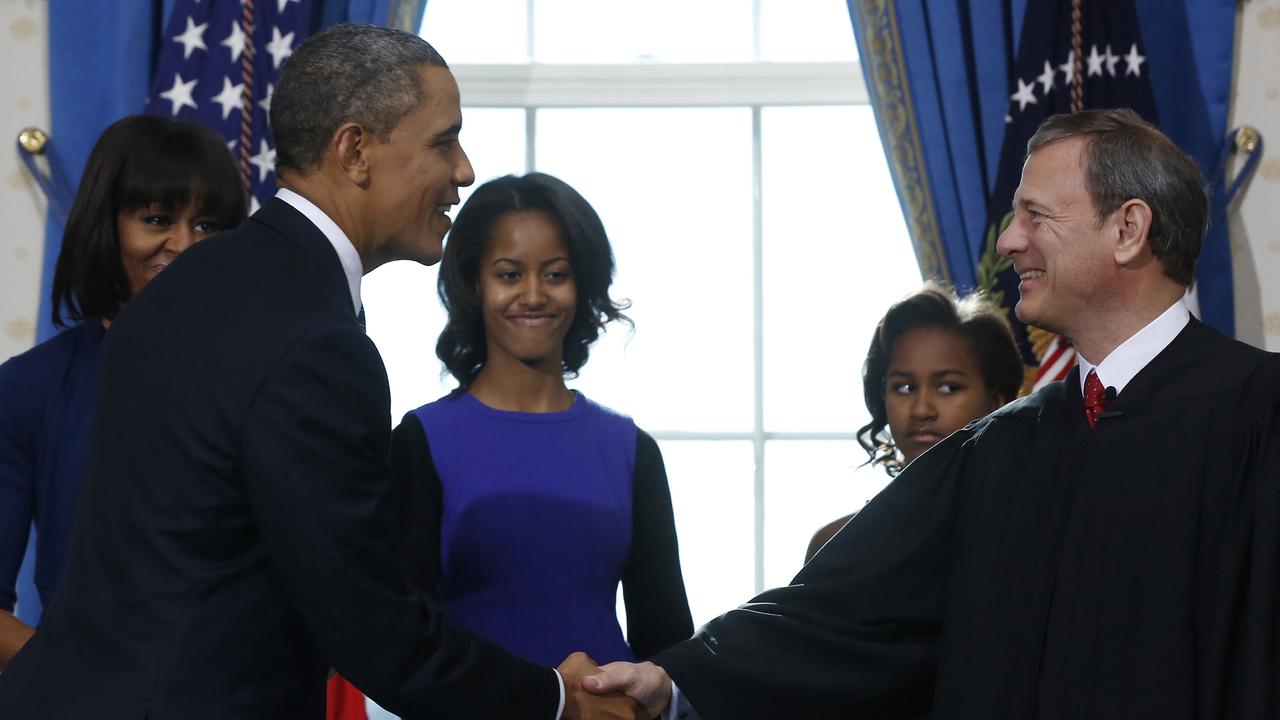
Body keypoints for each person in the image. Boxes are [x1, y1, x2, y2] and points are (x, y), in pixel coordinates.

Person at [0, 25, 637, 720]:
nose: (464, 169)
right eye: (442, 141)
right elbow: (375, 630)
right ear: (356, 151)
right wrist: (556, 699)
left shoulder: (188, 287)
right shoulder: (316, 341)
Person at [584, 108, 1280, 720]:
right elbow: (841, 612)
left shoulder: (1260, 418)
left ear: (1128, 228)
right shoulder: (1005, 446)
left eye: (1036, 215)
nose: (1009, 241)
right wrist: (677, 675)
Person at [392, 172, 693, 667]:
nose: (533, 295)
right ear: (473, 283)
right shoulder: (420, 441)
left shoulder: (631, 450)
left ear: (582, 284)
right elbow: (407, 641)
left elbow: (666, 641)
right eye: (509, 274)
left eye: (555, 274)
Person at [0, 114, 247, 668]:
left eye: (207, 225)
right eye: (157, 219)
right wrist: (77, 679)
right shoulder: (30, 388)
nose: (184, 245)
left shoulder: (273, 378)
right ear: (104, 228)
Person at [804, 284, 1023, 562]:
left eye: (947, 388)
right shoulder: (834, 544)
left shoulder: (1029, 532)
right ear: (882, 394)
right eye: (905, 387)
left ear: (996, 401)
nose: (921, 410)